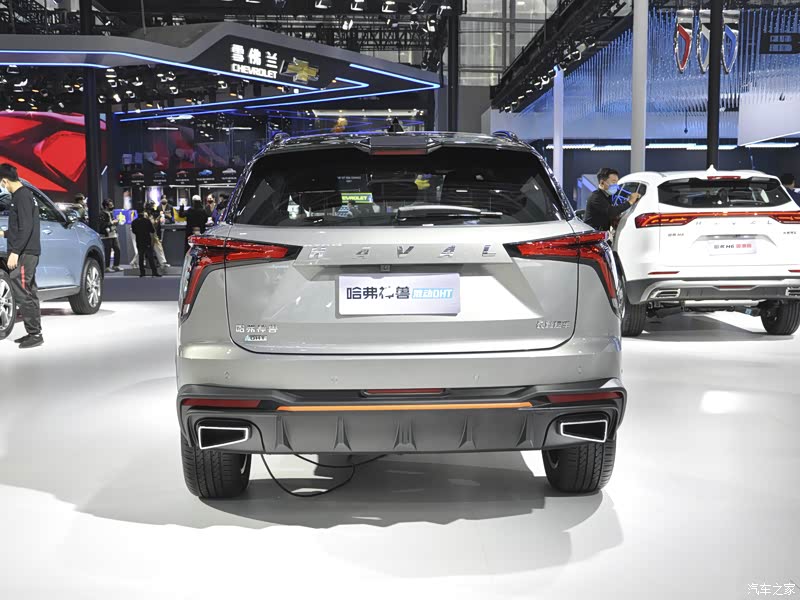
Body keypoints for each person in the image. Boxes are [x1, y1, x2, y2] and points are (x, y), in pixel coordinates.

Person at [0, 163, 43, 348]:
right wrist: (4, 233)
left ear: (5, 181)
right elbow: (21, 227)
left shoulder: (21, 196)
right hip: (27, 252)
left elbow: (26, 228)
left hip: (25, 253)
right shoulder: (24, 195)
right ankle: (34, 332)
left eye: (1, 184)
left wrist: (15, 252)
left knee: (22, 292)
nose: (2, 187)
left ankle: (35, 334)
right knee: (29, 292)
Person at [583, 167, 640, 232]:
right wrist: (630, 202)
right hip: (592, 234)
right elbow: (611, 211)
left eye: (617, 182)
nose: (616, 185)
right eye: (613, 182)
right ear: (602, 183)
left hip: (602, 233)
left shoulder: (608, 196)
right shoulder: (596, 197)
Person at [131, 209, 161, 278]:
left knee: (141, 257)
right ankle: (154, 272)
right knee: (150, 257)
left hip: (139, 241)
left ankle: (142, 273)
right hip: (147, 240)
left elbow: (134, 231)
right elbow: (152, 230)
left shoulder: (134, 222)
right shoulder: (147, 221)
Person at [99, 199, 122, 273]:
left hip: (114, 234)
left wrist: (116, 222)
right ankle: (107, 267)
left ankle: (116, 265)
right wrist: (112, 222)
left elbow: (112, 222)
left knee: (117, 249)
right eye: (110, 205)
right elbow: (102, 225)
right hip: (106, 235)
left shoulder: (111, 213)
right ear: (106, 206)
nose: (112, 206)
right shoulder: (102, 214)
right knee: (107, 251)